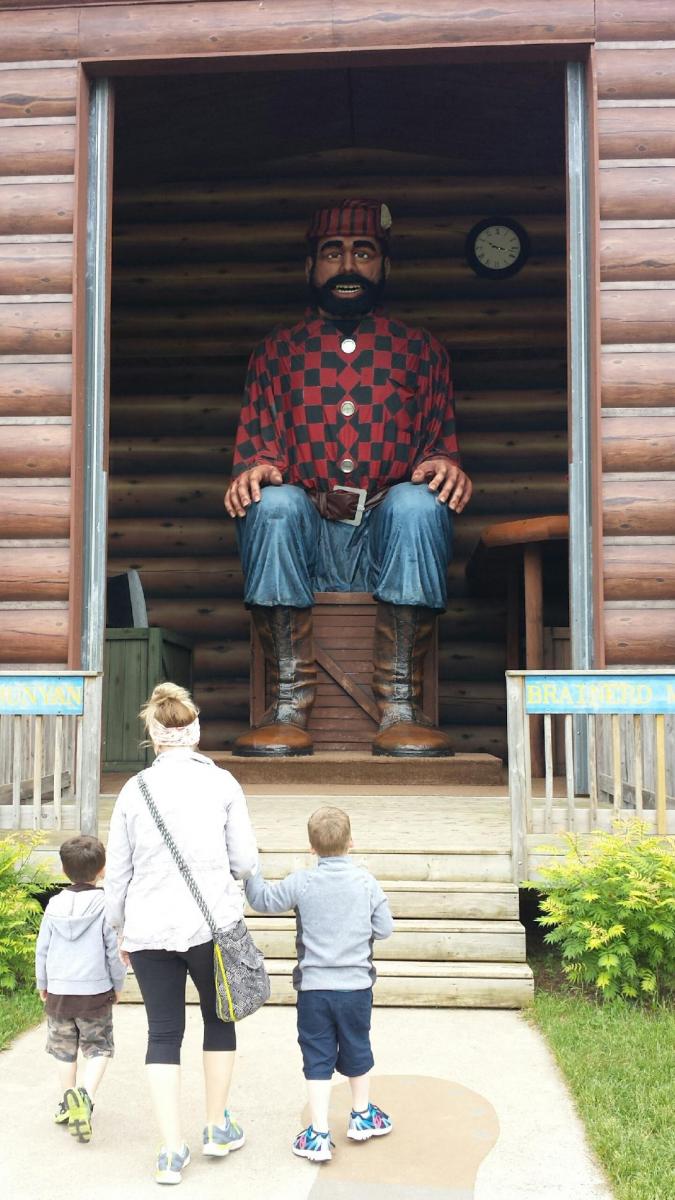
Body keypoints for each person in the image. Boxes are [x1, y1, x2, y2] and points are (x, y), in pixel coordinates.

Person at [224, 197, 472, 759]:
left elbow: (439, 444)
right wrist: (255, 471)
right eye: (332, 253)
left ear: (385, 266)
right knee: (273, 505)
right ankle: (288, 703)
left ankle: (400, 706)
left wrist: (445, 465)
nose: (348, 265)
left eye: (364, 252)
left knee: (419, 505)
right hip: (306, 531)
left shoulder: (420, 349)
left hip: (386, 531)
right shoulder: (276, 351)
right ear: (309, 267)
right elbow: (255, 447)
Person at [104, 682, 258, 1186]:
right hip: (212, 923)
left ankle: (171, 1150)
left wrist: (119, 928)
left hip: (148, 926)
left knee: (162, 1033)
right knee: (220, 1020)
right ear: (194, 732)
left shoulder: (133, 789)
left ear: (154, 736)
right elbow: (245, 861)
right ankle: (216, 1126)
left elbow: (119, 871)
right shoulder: (223, 784)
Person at [245, 804, 394, 1162]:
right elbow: (384, 929)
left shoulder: (302, 881)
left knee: (317, 1055)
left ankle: (319, 1131)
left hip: (314, 989)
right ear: (351, 843)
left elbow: (261, 899)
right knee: (358, 1046)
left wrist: (251, 867)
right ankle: (361, 1115)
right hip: (357, 987)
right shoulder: (366, 882)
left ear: (311, 847)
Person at [35, 834, 127, 1143]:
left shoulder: (54, 905)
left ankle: (67, 1100)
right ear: (102, 870)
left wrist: (43, 983)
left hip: (60, 992)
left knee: (64, 1050)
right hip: (94, 992)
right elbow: (112, 951)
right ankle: (84, 1097)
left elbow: (42, 949)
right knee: (99, 1047)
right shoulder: (104, 905)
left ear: (63, 871)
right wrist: (118, 984)